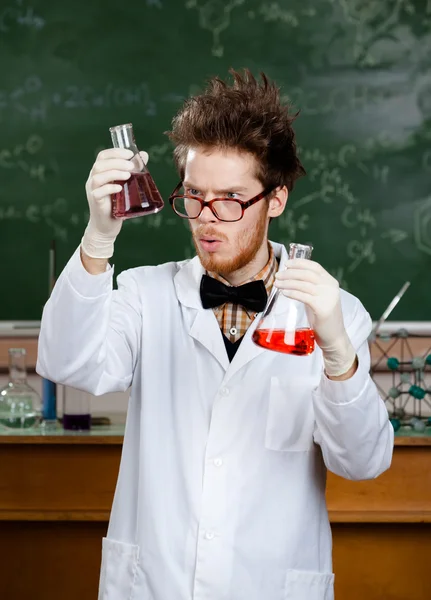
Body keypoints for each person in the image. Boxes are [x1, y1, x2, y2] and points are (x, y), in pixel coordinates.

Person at [36, 69, 393, 600]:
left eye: (230, 199)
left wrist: (339, 355)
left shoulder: (333, 313)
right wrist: (97, 239)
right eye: (195, 196)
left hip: (270, 584)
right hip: (156, 582)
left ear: (276, 199)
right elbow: (67, 362)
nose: (207, 219)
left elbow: (362, 462)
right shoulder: (145, 295)